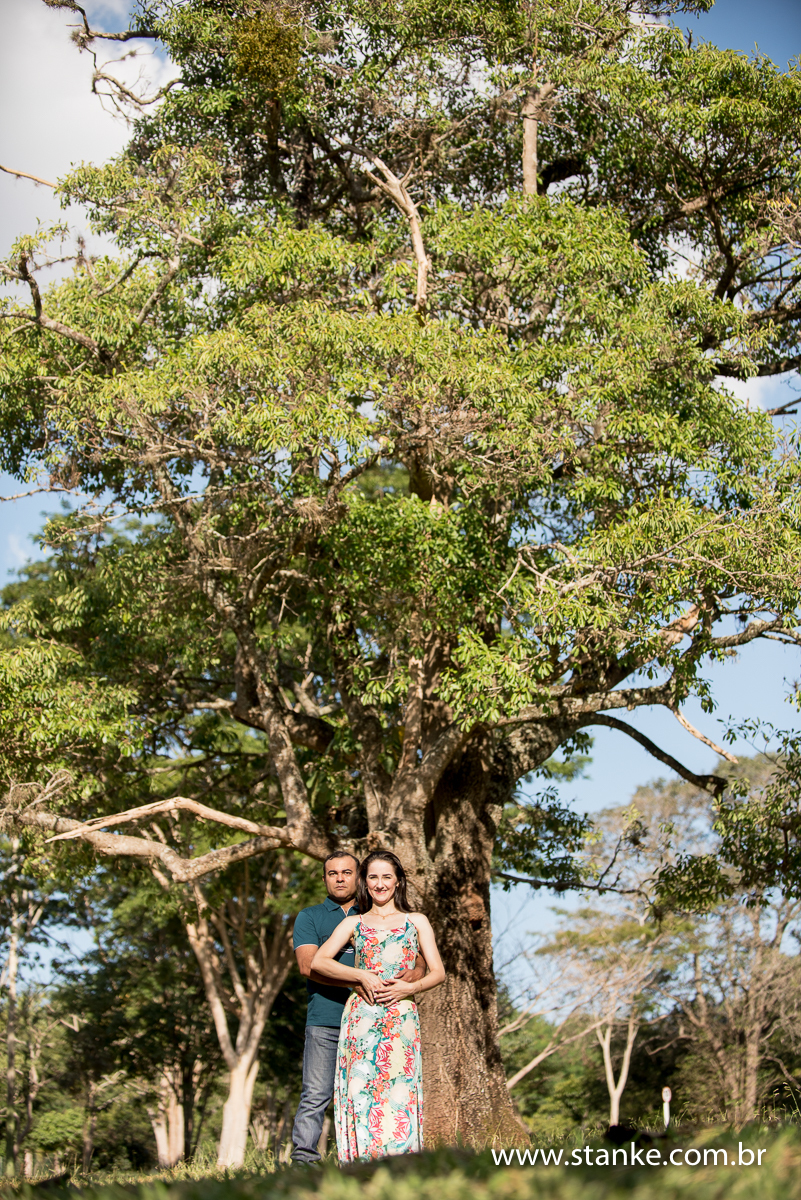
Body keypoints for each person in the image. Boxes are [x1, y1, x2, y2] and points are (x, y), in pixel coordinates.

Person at [290, 850, 426, 1164]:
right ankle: (304, 1162)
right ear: (324, 879)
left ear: (359, 877)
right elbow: (309, 966)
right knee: (316, 1094)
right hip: (326, 1018)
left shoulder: (379, 913)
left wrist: (414, 975)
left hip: (378, 1021)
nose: (339, 878)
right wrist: (359, 983)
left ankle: (369, 1158)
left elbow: (417, 957)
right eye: (332, 873)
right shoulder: (310, 916)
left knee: (372, 1093)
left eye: (347, 872)